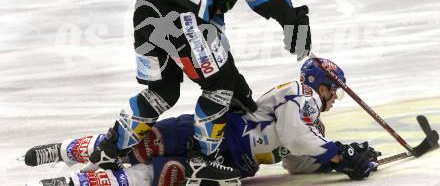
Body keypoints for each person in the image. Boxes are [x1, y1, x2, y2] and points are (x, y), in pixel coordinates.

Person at [83, 0, 312, 185]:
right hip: (180, 9)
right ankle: (202, 163)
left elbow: (212, 39)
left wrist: (235, 81)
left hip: (147, 4)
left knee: (162, 90)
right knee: (218, 87)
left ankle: (109, 152)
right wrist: (294, 23)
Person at [24, 58, 379, 186]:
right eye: (335, 91)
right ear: (323, 85)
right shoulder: (301, 94)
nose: (335, 98)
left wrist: (338, 163)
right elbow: (294, 136)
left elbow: (294, 159)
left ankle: (74, 183)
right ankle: (64, 151)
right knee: (133, 147)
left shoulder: (314, 126)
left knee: (150, 174)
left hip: (228, 164)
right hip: (214, 132)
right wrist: (339, 153)